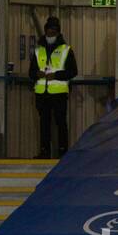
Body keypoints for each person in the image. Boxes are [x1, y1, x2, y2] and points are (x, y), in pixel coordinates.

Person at [27, 15, 78, 158]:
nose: (51, 33)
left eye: (54, 30)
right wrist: (37, 74)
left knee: (61, 123)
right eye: (49, 30)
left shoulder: (66, 49)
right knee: (44, 124)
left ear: (58, 32)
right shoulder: (38, 50)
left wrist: (55, 76)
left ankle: (63, 152)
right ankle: (44, 152)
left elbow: (73, 71)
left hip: (59, 94)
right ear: (45, 30)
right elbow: (31, 72)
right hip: (42, 94)